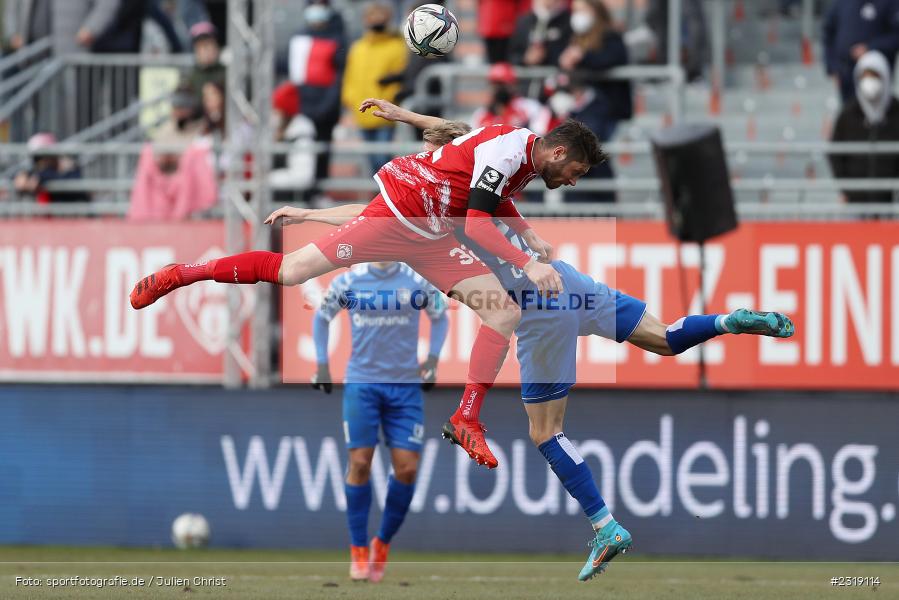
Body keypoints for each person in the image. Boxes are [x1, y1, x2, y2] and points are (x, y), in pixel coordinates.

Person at [284, 99, 796, 582]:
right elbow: (453, 134)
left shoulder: (435, 190)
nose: (572, 180)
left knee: (546, 433)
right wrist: (402, 117)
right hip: (566, 279)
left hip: (536, 303)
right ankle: (729, 322)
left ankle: (604, 525)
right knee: (663, 338)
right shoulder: (489, 156)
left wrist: (314, 211)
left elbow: (372, 211)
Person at [130, 102, 601, 473]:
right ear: (558, 152)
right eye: (576, 172)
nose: (573, 182)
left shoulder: (521, 151)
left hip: (432, 232)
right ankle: (182, 273)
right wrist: (526, 260)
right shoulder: (508, 150)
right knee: (292, 270)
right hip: (403, 215)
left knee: (503, 312)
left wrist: (526, 232)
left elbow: (465, 151)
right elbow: (477, 224)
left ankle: (466, 419)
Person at [311, 261, 448, 582]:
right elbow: (322, 317)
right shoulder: (348, 281)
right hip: (363, 385)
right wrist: (321, 364)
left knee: (408, 468)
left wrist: (431, 360)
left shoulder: (418, 277)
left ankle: (381, 542)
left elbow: (440, 316)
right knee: (359, 463)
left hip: (405, 388)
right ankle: (358, 548)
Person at [556, 0, 631, 202]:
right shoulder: (575, 38)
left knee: (592, 152)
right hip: (582, 110)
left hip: (608, 110)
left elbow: (611, 59)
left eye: (582, 10)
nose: (577, 15)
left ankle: (605, 204)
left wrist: (582, 56)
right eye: (575, 10)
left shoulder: (610, 35)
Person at [288, 0, 346, 199]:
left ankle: (319, 190)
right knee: (302, 153)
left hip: (325, 109)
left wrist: (326, 107)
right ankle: (302, 194)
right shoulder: (299, 36)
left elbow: (339, 78)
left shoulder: (338, 37)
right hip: (302, 108)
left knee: (322, 152)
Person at [341, 1, 408, 174]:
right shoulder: (358, 48)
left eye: (380, 15)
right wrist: (350, 99)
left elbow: (399, 78)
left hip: (384, 114)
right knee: (372, 162)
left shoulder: (396, 46)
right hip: (362, 113)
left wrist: (389, 101)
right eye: (372, 15)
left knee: (381, 160)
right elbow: (350, 77)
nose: (376, 19)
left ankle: (388, 197)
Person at [829, 50, 899, 204]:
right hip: (856, 200)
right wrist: (847, 188)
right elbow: (836, 153)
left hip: (891, 201)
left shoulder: (896, 111)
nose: (870, 82)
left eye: (874, 77)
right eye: (865, 77)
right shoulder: (848, 114)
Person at [823, 0, 899, 102]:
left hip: (874, 74)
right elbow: (828, 33)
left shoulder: (889, 3)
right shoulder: (841, 3)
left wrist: (871, 48)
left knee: (875, 111)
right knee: (850, 112)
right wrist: (832, 66)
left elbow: (895, 36)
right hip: (846, 72)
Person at [471, 62, 551, 132]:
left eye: (502, 84)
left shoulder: (529, 107)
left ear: (512, 85)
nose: (498, 88)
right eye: (495, 84)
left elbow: (540, 135)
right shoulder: (481, 115)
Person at [13, 133, 87, 203]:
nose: (40, 162)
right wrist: (25, 177)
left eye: (41, 157)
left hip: (70, 211)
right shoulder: (37, 172)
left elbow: (63, 179)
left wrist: (39, 178)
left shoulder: (69, 167)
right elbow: (22, 181)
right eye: (37, 158)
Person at [509, 0, 573, 68]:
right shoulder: (524, 21)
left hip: (555, 72)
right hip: (527, 73)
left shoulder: (568, 22)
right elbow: (512, 54)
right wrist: (525, 59)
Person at [183, 22, 225, 107]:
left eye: (209, 44)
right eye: (201, 46)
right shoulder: (190, 78)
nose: (206, 51)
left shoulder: (227, 75)